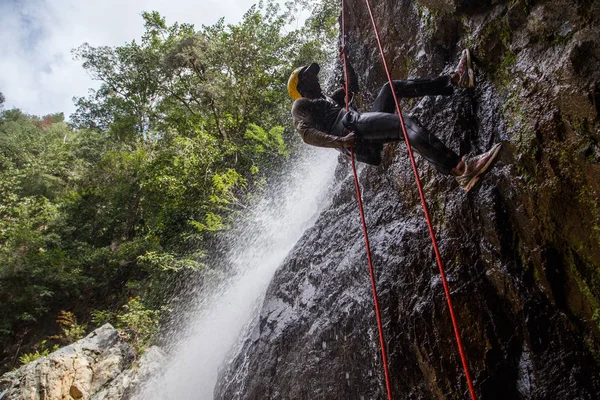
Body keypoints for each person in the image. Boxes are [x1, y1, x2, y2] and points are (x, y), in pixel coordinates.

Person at [287, 49, 502, 192]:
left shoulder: (329, 99)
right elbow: (306, 134)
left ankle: (454, 80)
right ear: (301, 87)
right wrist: (339, 141)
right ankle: (461, 169)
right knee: (406, 124)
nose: (315, 77)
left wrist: (346, 61)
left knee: (390, 88)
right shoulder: (301, 105)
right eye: (309, 76)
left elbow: (351, 86)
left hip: (354, 127)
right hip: (350, 131)